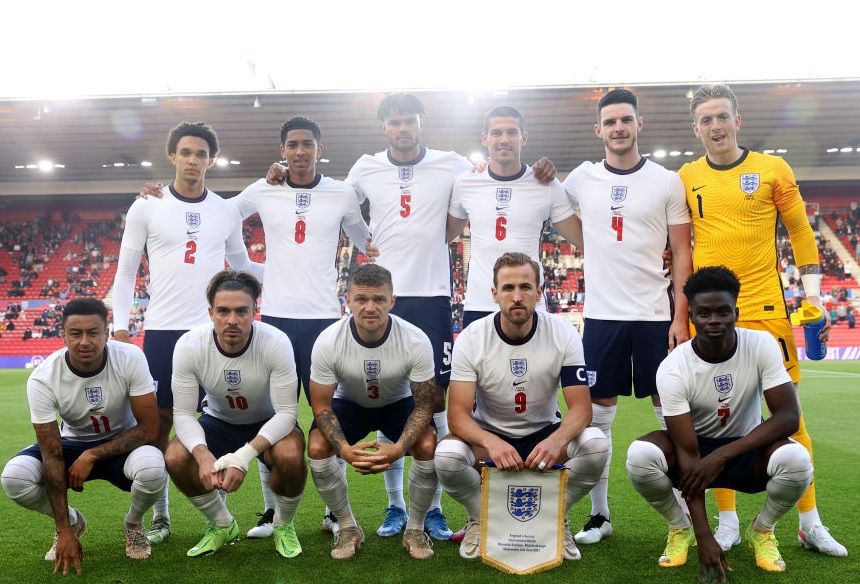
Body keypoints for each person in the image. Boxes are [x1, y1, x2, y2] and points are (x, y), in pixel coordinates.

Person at [678, 84, 846, 557]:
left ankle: (809, 523)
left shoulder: (772, 168)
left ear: (737, 119)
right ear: (696, 128)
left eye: (722, 117)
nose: (715, 126)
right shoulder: (687, 176)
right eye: (706, 119)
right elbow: (680, 246)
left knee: (791, 417)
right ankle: (727, 521)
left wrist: (812, 297)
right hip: (710, 318)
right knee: (715, 418)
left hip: (767, 311)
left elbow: (800, 231)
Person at [113, 122, 262, 545]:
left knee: (250, 415)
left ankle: (270, 513)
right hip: (162, 331)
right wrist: (121, 326)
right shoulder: (147, 205)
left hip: (215, 331)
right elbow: (126, 272)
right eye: (186, 152)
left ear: (211, 160)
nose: (193, 160)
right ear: (173, 157)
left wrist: (303, 274)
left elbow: (244, 267)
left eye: (201, 153)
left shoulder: (226, 210)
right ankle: (160, 518)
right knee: (158, 426)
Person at [229, 115, 374, 539]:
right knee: (272, 415)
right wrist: (251, 268)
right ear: (282, 150)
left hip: (327, 321)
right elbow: (219, 216)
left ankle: (333, 513)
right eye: (292, 144)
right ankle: (271, 511)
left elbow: (367, 240)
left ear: (319, 147)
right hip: (273, 319)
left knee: (331, 417)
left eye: (307, 143)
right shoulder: (263, 188)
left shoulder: (342, 193)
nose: (299, 151)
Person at [561, 89, 693, 545]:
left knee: (672, 416)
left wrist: (681, 315)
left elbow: (680, 250)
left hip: (657, 318)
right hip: (601, 318)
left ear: (639, 125)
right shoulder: (580, 178)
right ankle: (601, 516)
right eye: (610, 121)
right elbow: (549, 203)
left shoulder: (666, 181)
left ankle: (685, 518)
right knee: (597, 421)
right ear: (598, 129)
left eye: (626, 120)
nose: (618, 128)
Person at [626, 266, 813, 578]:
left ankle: (762, 530)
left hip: (747, 452)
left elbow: (788, 417)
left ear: (736, 312)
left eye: (723, 311)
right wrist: (704, 536)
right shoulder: (673, 368)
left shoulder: (761, 344)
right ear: (692, 317)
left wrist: (723, 454)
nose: (714, 320)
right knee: (640, 456)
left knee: (796, 460)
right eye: (703, 313)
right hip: (696, 456)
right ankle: (680, 528)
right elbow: (686, 453)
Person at [435, 252, 609, 560]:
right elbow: (458, 416)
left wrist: (556, 440)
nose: (517, 296)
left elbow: (582, 409)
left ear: (540, 292)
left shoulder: (563, 333)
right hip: (489, 441)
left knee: (596, 445)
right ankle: (481, 518)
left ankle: (555, 517)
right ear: (494, 294)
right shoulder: (473, 338)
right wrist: (492, 441)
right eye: (508, 288)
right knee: (447, 457)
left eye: (526, 287)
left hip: (544, 434)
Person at [1, 298, 166, 574]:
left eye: (93, 332)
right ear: (63, 335)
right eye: (75, 333)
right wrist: (63, 527)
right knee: (14, 478)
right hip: (71, 445)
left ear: (106, 333)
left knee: (153, 468)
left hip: (124, 444)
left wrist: (93, 454)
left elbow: (150, 428)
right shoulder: (43, 378)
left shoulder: (130, 357)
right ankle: (75, 522)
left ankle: (133, 523)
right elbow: (51, 452)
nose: (84, 341)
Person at [164, 270, 306, 558]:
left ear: (255, 310)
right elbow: (183, 414)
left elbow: (288, 412)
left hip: (269, 422)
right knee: (176, 457)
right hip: (219, 422)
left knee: (291, 455)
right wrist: (203, 456)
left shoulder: (276, 342)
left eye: (242, 311)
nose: (232, 320)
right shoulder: (189, 346)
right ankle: (222, 524)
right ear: (210, 312)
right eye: (223, 311)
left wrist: (244, 457)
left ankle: (282, 524)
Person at [307, 263, 438, 560]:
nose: (370, 307)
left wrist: (398, 450)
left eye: (379, 299)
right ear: (348, 300)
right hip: (350, 405)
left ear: (392, 301)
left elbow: (424, 405)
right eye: (361, 299)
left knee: (428, 443)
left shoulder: (414, 339)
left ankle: (415, 528)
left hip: (398, 404)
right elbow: (322, 406)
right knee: (317, 446)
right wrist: (344, 449)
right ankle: (347, 526)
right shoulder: (328, 342)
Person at [446, 106, 583, 328]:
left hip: (528, 306)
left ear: (524, 137)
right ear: (485, 138)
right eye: (497, 133)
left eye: (512, 132)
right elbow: (442, 234)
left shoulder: (546, 184)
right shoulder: (466, 183)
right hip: (479, 305)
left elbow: (585, 238)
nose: (504, 139)